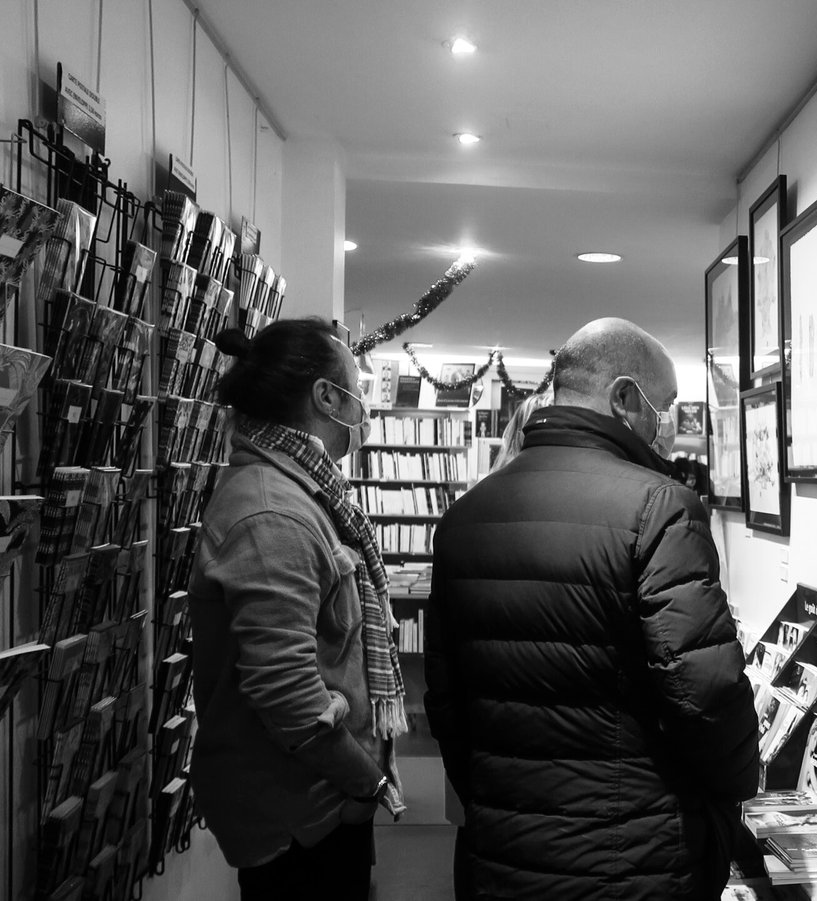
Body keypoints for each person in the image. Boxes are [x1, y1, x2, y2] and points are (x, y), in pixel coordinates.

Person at [426, 317, 759, 900]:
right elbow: (705, 694)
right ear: (626, 399)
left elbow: (447, 698)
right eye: (666, 406)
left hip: (500, 854)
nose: (670, 426)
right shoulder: (660, 508)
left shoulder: (464, 517)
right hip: (633, 860)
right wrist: (732, 796)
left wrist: (496, 799)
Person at [188, 318, 406, 900]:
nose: (363, 408)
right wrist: (365, 783)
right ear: (327, 398)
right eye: (357, 390)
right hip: (303, 819)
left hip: (315, 806)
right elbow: (285, 691)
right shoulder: (273, 511)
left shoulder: (301, 490)